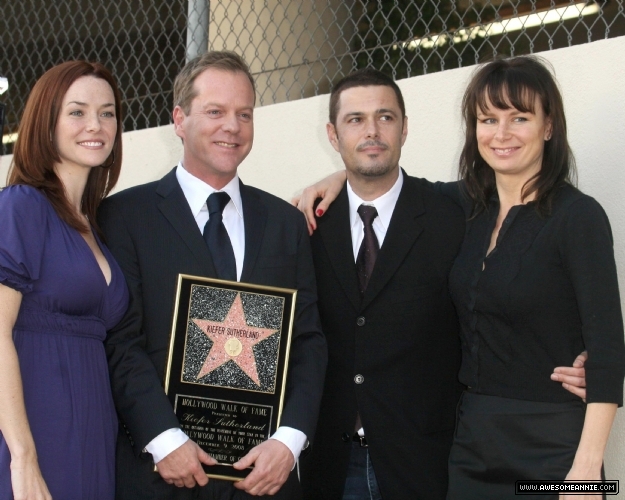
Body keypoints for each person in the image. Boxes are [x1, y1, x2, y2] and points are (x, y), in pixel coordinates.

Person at [295, 57, 622, 499]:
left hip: (551, 449)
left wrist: (586, 473)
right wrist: (338, 177)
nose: (501, 134)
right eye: (488, 119)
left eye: (519, 118)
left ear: (548, 127)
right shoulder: (464, 207)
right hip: (471, 448)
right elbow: (384, 184)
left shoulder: (577, 216)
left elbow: (607, 346)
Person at [98, 50, 327, 500]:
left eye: (244, 114)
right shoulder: (124, 216)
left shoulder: (285, 223)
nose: (233, 127)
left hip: (262, 480)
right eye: (216, 112)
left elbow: (308, 342)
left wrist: (290, 441)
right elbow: (121, 342)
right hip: (160, 476)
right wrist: (165, 440)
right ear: (179, 120)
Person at [0, 61, 129, 500]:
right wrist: (23, 457)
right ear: (45, 122)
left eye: (107, 112)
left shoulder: (96, 225)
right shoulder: (22, 207)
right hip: (37, 435)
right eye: (77, 112)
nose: (96, 125)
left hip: (94, 437)